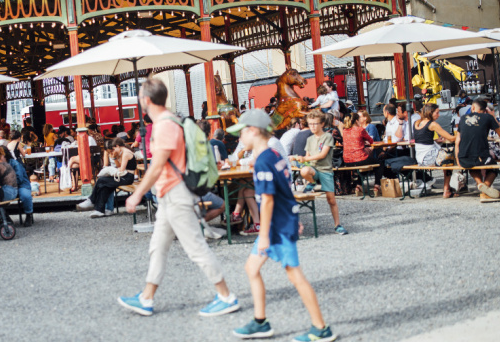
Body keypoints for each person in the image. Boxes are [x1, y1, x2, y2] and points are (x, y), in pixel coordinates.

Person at [118, 78, 239, 318]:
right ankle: (146, 298)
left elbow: (157, 165)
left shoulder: (163, 125)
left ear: (146, 100)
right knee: (158, 247)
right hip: (170, 194)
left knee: (195, 247)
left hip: (174, 194)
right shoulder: (173, 120)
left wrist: (137, 194)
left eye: (140, 95)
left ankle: (226, 296)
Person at [226, 113, 337, 342]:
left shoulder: (265, 159)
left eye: (242, 131)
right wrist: (294, 218)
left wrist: (264, 235)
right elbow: (285, 189)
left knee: (295, 275)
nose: (240, 137)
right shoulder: (273, 155)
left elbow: (267, 200)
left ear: (254, 131)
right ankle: (260, 322)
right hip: (281, 222)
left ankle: (321, 328)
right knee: (252, 268)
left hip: (276, 226)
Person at [291, 110, 347, 235]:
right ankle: (312, 182)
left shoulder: (328, 136)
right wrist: (297, 158)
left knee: (331, 200)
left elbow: (322, 155)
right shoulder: (309, 139)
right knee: (304, 170)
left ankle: (337, 224)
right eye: (310, 124)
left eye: (315, 124)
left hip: (326, 170)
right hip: (314, 170)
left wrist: (305, 159)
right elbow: (307, 158)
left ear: (322, 124)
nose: (312, 126)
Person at [457, 98, 500, 202]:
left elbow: (457, 140)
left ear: (473, 107)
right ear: (485, 110)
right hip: (481, 157)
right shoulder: (487, 117)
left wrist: (457, 158)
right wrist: (492, 116)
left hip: (463, 158)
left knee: (472, 166)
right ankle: (485, 189)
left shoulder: (463, 118)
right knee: (494, 167)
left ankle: (480, 184)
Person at [77, 138, 137, 217]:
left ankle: (92, 200)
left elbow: (121, 169)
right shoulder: (123, 152)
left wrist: (112, 168)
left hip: (127, 178)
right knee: (104, 185)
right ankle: (100, 210)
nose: (114, 151)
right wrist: (115, 158)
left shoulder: (126, 153)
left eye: (114, 149)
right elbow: (119, 167)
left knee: (102, 180)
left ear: (117, 146)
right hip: (124, 176)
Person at [414, 104, 456, 198]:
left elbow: (423, 138)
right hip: (429, 157)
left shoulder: (416, 123)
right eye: (437, 112)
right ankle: (447, 190)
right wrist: (463, 135)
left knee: (447, 157)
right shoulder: (432, 124)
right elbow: (451, 138)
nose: (439, 115)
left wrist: (435, 141)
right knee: (449, 160)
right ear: (430, 113)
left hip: (420, 158)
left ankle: (449, 187)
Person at [341, 113, 384, 197]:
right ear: (357, 121)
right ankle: (377, 186)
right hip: (359, 158)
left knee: (366, 165)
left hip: (347, 161)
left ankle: (358, 186)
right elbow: (371, 141)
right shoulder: (360, 129)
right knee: (379, 163)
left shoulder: (345, 131)